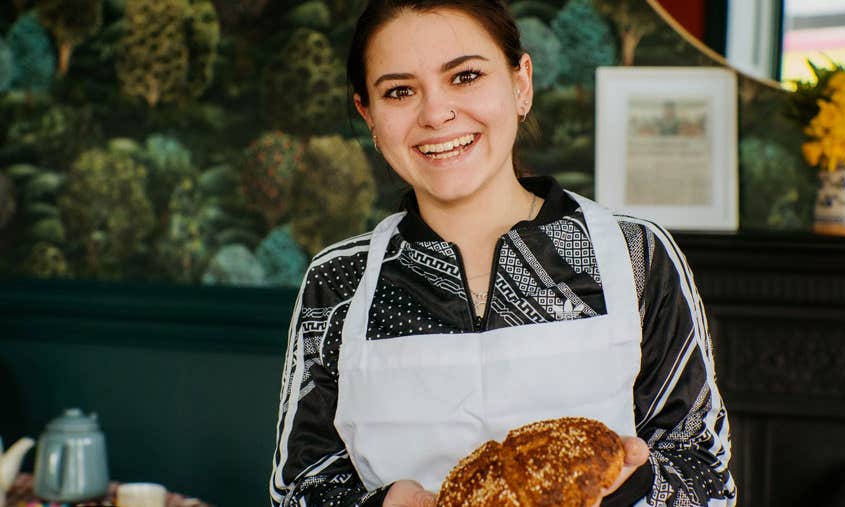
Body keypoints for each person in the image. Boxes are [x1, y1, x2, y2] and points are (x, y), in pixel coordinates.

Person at [269, 1, 737, 506]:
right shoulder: (339, 280)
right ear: (368, 114)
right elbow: (298, 490)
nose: (436, 113)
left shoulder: (635, 255)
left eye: (465, 76)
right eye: (400, 91)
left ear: (521, 84)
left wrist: (626, 490)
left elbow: (706, 476)